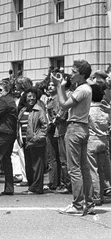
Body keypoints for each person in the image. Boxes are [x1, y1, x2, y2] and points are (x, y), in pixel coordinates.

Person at [52, 59, 95, 215]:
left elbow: (63, 105)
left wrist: (58, 86)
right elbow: (66, 102)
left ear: (82, 74)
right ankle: (89, 204)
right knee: (84, 168)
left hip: (75, 128)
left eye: (74, 71)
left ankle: (77, 205)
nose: (71, 74)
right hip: (82, 128)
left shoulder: (82, 89)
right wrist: (62, 86)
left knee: (74, 169)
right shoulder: (85, 88)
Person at [17, 88, 48, 195]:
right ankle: (32, 186)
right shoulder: (22, 110)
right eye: (29, 96)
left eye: (33, 96)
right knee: (29, 166)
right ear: (25, 97)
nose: (31, 98)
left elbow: (45, 126)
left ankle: (38, 188)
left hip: (36, 142)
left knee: (37, 166)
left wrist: (37, 137)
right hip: (25, 142)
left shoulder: (39, 110)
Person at [87, 84, 111, 205]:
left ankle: (95, 196)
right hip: (103, 140)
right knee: (101, 170)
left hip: (91, 140)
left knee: (93, 170)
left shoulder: (88, 109)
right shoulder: (105, 109)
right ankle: (101, 194)